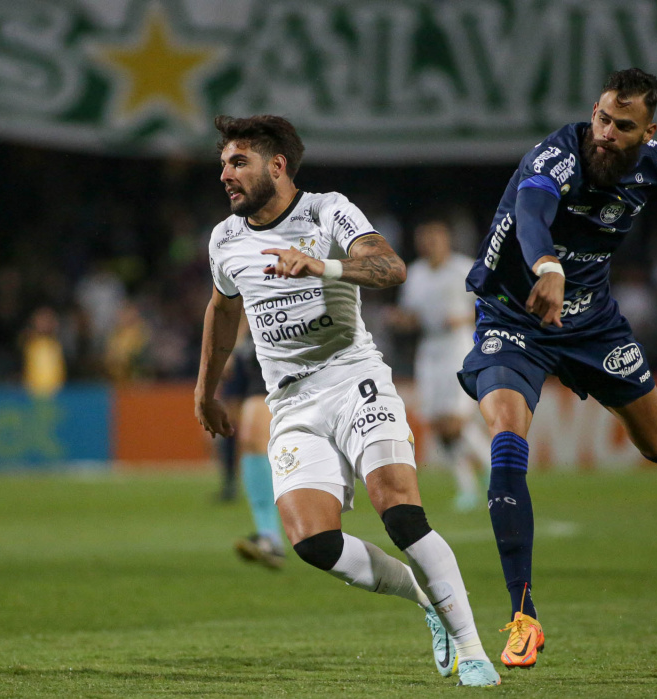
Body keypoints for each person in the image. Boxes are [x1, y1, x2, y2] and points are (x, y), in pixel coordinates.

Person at [195, 114, 499, 687]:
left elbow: (390, 266)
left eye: (239, 163)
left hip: (354, 379)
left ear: (277, 165)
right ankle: (425, 599)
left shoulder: (326, 210)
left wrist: (324, 264)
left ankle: (474, 650)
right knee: (312, 541)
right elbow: (223, 309)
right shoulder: (225, 239)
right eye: (223, 165)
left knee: (400, 510)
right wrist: (205, 390)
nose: (226, 176)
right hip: (291, 402)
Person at [456, 68, 657, 669]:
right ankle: (523, 614)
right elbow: (531, 217)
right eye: (603, 118)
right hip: (514, 319)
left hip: (595, 327)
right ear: (595, 110)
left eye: (623, 126)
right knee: (506, 436)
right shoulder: (554, 158)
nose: (606, 133)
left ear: (645, 131)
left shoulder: (651, 159)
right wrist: (548, 266)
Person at [391, 220, 490, 511]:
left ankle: (496, 472)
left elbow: (492, 304)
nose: (429, 245)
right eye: (425, 240)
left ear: (446, 240)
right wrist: (400, 319)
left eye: (434, 239)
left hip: (459, 345)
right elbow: (412, 315)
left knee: (455, 421)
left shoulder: (464, 268)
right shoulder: (416, 275)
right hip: (429, 348)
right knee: (437, 423)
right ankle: (468, 489)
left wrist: (463, 319)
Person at [226, 325, 286, 568]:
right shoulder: (243, 300)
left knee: (260, 440)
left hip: (295, 359)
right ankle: (269, 535)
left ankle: (315, 533)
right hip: (261, 362)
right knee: (250, 438)